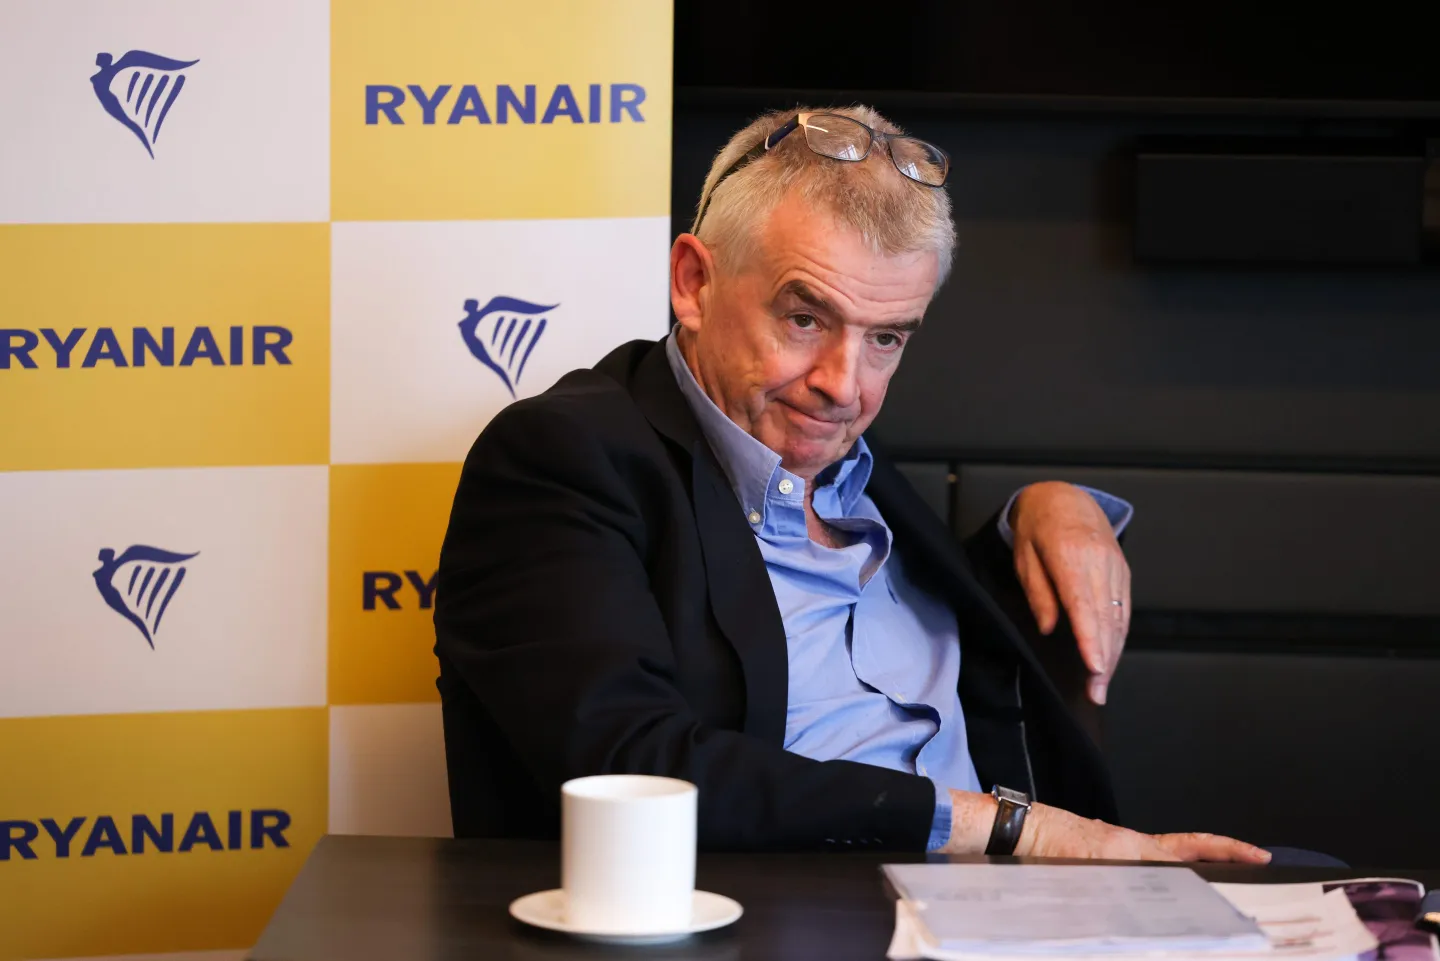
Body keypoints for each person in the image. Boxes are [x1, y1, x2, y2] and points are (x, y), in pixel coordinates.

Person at [433, 105, 1269, 863]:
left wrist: (1052, 505)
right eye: (805, 318)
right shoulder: (564, 457)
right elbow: (631, 766)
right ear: (694, 282)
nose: (845, 384)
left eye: (888, 340)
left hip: (1020, 912)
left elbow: (946, 642)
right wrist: (1015, 827)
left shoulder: (847, 468)